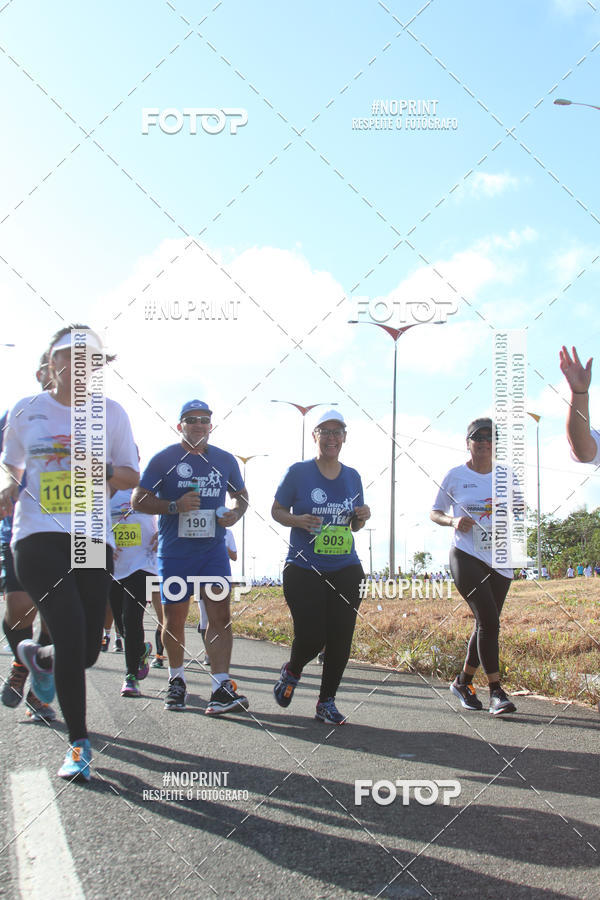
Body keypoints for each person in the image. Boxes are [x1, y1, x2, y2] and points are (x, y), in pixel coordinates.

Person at [0, 326, 139, 780]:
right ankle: (79, 745)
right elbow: (16, 466)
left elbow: (130, 476)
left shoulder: (112, 414)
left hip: (91, 535)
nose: (79, 366)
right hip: (37, 535)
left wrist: (101, 471)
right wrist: (8, 487)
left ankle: (39, 659)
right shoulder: (26, 410)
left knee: (86, 651)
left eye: (90, 359)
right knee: (69, 626)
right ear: (51, 360)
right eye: (69, 356)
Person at [131, 399, 249, 714]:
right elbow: (138, 499)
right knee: (175, 619)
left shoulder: (224, 460)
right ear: (180, 424)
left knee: (221, 618)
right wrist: (173, 506)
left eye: (204, 420)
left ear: (211, 425)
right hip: (175, 553)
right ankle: (176, 681)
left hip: (212, 552)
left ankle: (220, 688)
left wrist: (234, 513)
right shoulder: (164, 459)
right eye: (192, 419)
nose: (199, 424)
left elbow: (241, 496)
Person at [271, 409, 370, 725]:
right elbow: (276, 510)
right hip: (303, 567)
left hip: (346, 567)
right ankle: (292, 670)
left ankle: (326, 702)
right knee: (312, 635)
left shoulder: (352, 476)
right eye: (324, 432)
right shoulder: (298, 472)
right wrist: (297, 520)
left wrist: (361, 517)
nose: (331, 438)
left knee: (341, 636)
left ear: (344, 437)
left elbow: (353, 525)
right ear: (314, 436)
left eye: (336, 432)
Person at [431, 417, 517, 716]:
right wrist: (453, 520)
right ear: (467, 443)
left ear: (496, 443)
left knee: (485, 624)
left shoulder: (508, 476)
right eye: (476, 437)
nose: (482, 442)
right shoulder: (455, 475)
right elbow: (435, 512)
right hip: (466, 555)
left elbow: (517, 512)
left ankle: (463, 682)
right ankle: (496, 692)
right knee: (490, 622)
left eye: (488, 437)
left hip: (500, 559)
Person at [1, 353, 56, 721]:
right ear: (40, 374)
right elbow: (7, 464)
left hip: (69, 531)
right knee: (19, 606)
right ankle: (26, 661)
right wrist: (9, 484)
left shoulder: (91, 420)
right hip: (20, 526)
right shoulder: (17, 414)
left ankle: (38, 690)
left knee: (56, 613)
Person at [109, 487, 156, 697]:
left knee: (131, 618)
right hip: (112, 566)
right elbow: (83, 526)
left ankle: (130, 677)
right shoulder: (103, 492)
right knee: (120, 621)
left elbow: (172, 512)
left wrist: (163, 532)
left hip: (143, 564)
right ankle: (140, 651)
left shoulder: (150, 487)